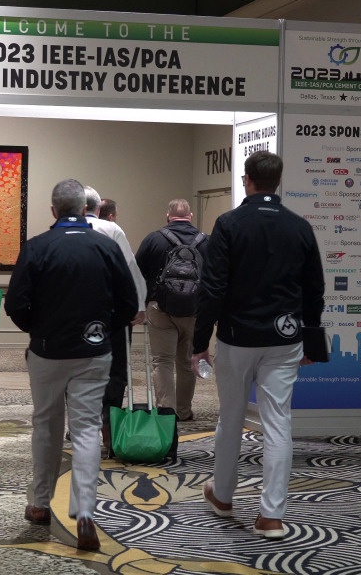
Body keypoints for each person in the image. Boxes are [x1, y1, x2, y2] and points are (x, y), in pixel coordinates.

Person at [191, 151, 325, 540]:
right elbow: (314, 289)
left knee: (231, 417)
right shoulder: (300, 227)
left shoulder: (229, 224)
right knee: (278, 422)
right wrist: (311, 340)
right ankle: (271, 516)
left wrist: (200, 343)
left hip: (237, 337)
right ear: (277, 182)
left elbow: (213, 288)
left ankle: (223, 496)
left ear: (246, 180)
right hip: (285, 338)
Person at [5, 179, 138, 551]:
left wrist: (38, 330)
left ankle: (40, 504)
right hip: (94, 352)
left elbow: (15, 304)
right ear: (84, 209)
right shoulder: (106, 246)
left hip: (47, 352)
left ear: (53, 210)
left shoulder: (37, 247)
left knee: (46, 425)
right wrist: (101, 331)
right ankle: (85, 515)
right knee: (86, 431)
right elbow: (129, 304)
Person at [84, 187, 146, 444]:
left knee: (79, 369)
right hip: (112, 314)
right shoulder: (112, 230)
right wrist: (139, 305)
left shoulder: (61, 232)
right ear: (99, 209)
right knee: (115, 369)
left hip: (75, 315)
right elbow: (130, 267)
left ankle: (80, 423)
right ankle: (109, 425)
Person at [135, 199, 206, 422]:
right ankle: (183, 411)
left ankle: (167, 412)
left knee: (162, 361)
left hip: (160, 309)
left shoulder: (153, 239)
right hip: (194, 311)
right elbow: (216, 278)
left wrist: (141, 305)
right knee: (186, 362)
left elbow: (137, 273)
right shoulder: (206, 241)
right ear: (190, 216)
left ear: (168, 216)